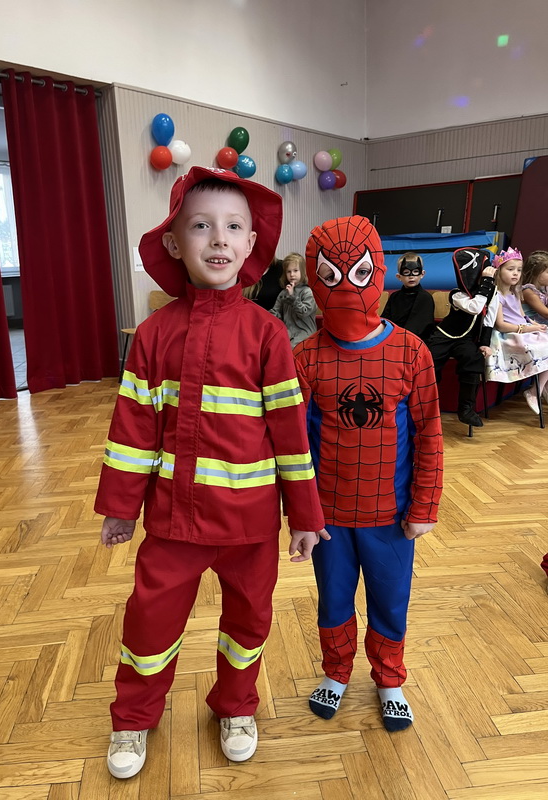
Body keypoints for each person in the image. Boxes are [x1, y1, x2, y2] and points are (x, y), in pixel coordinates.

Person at [95, 166, 327, 779]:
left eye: (232, 227)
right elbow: (133, 431)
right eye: (201, 226)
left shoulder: (268, 335)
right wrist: (121, 506)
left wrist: (305, 515)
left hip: (251, 526)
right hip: (173, 521)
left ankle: (236, 706)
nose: (218, 238)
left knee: (249, 622)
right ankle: (133, 716)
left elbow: (291, 437)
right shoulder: (153, 335)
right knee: (148, 622)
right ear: (174, 242)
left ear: (251, 244)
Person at [293, 215, 443, 732]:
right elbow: (292, 446)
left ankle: (389, 679)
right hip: (329, 517)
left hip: (392, 516)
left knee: (390, 600)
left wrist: (424, 506)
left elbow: (429, 434)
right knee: (333, 600)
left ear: (376, 271)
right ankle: (336, 672)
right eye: (329, 277)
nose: (345, 290)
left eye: (357, 274)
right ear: (315, 279)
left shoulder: (411, 352)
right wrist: (301, 514)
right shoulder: (305, 357)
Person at [426, 247, 497, 428]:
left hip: (465, 339)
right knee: (430, 361)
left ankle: (466, 409)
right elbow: (475, 307)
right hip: (444, 335)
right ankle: (425, 406)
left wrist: (484, 343)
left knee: (473, 358)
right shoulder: (456, 293)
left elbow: (489, 319)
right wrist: (486, 282)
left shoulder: (492, 292)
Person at [484, 247, 548, 413]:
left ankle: (540, 388)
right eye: (510, 269)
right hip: (510, 335)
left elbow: (523, 316)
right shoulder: (497, 295)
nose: (515, 273)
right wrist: (528, 328)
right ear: (499, 271)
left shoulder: (516, 292)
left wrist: (535, 325)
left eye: (519, 270)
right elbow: (500, 325)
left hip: (523, 330)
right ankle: (535, 391)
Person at [380, 252, 435, 340]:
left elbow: (420, 326)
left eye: (415, 272)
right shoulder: (394, 297)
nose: (411, 276)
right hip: (393, 337)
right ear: (399, 276)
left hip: (415, 340)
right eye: (406, 272)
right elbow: (385, 320)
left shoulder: (425, 298)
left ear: (422, 274)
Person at [270, 252, 318, 347]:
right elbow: (276, 312)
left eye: (295, 270)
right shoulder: (283, 293)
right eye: (289, 271)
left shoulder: (308, 292)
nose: (292, 274)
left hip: (305, 334)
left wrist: (292, 297)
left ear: (303, 271)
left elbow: (303, 312)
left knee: (289, 349)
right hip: (288, 333)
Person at [522, 250, 548, 324]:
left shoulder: (543, 289)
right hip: (531, 325)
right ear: (536, 272)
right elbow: (546, 313)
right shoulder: (528, 291)